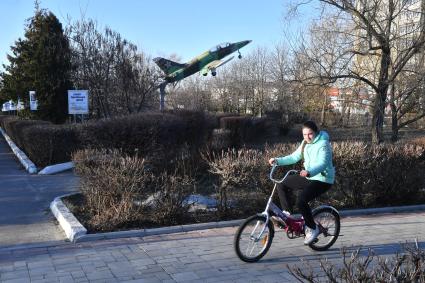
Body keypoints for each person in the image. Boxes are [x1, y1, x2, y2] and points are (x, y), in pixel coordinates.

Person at [268, 120, 335, 245]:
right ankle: (287, 213)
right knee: (281, 183)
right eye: (304, 134)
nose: (307, 137)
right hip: (309, 176)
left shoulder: (324, 144)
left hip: (323, 179)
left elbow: (323, 163)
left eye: (310, 134)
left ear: (316, 132)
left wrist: (309, 171)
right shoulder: (305, 143)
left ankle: (313, 229)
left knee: (301, 200)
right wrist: (277, 160)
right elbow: (294, 157)